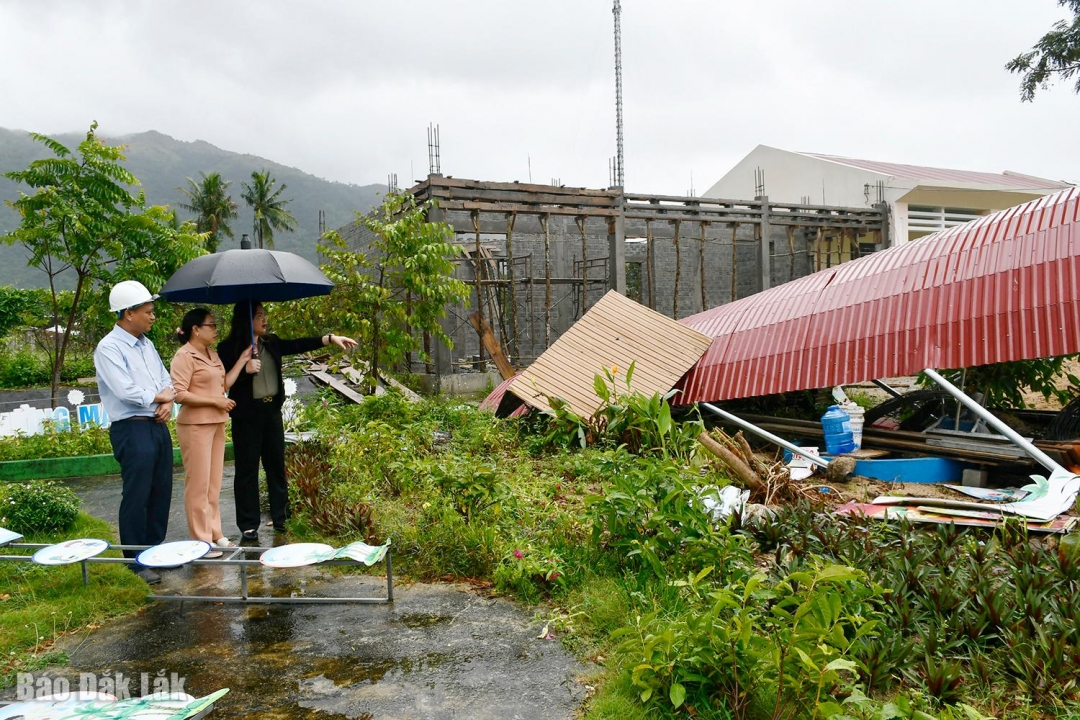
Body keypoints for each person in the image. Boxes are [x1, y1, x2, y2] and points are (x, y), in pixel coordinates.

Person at [218, 301, 357, 541]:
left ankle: (282, 517)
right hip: (246, 418)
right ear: (245, 319)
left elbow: (297, 344)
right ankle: (249, 525)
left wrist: (330, 338)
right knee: (247, 471)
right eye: (259, 315)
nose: (265, 319)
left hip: (271, 412)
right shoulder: (228, 348)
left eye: (265, 314)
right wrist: (245, 368)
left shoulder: (271, 343)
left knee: (276, 467)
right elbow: (223, 382)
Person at [93, 281, 175, 585]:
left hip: (156, 424)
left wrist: (167, 399)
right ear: (128, 313)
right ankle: (135, 560)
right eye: (148, 311)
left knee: (160, 489)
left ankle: (154, 552)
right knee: (137, 493)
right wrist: (162, 398)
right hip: (132, 427)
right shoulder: (109, 348)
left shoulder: (147, 345)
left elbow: (167, 381)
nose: (153, 317)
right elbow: (126, 391)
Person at [170, 309, 254, 558]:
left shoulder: (212, 354)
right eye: (211, 325)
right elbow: (179, 393)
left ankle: (215, 533)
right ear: (196, 329)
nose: (216, 329)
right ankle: (200, 541)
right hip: (195, 426)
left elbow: (223, 385)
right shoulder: (184, 356)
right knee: (198, 484)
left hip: (217, 423)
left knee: (213, 483)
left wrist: (241, 360)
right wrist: (215, 402)